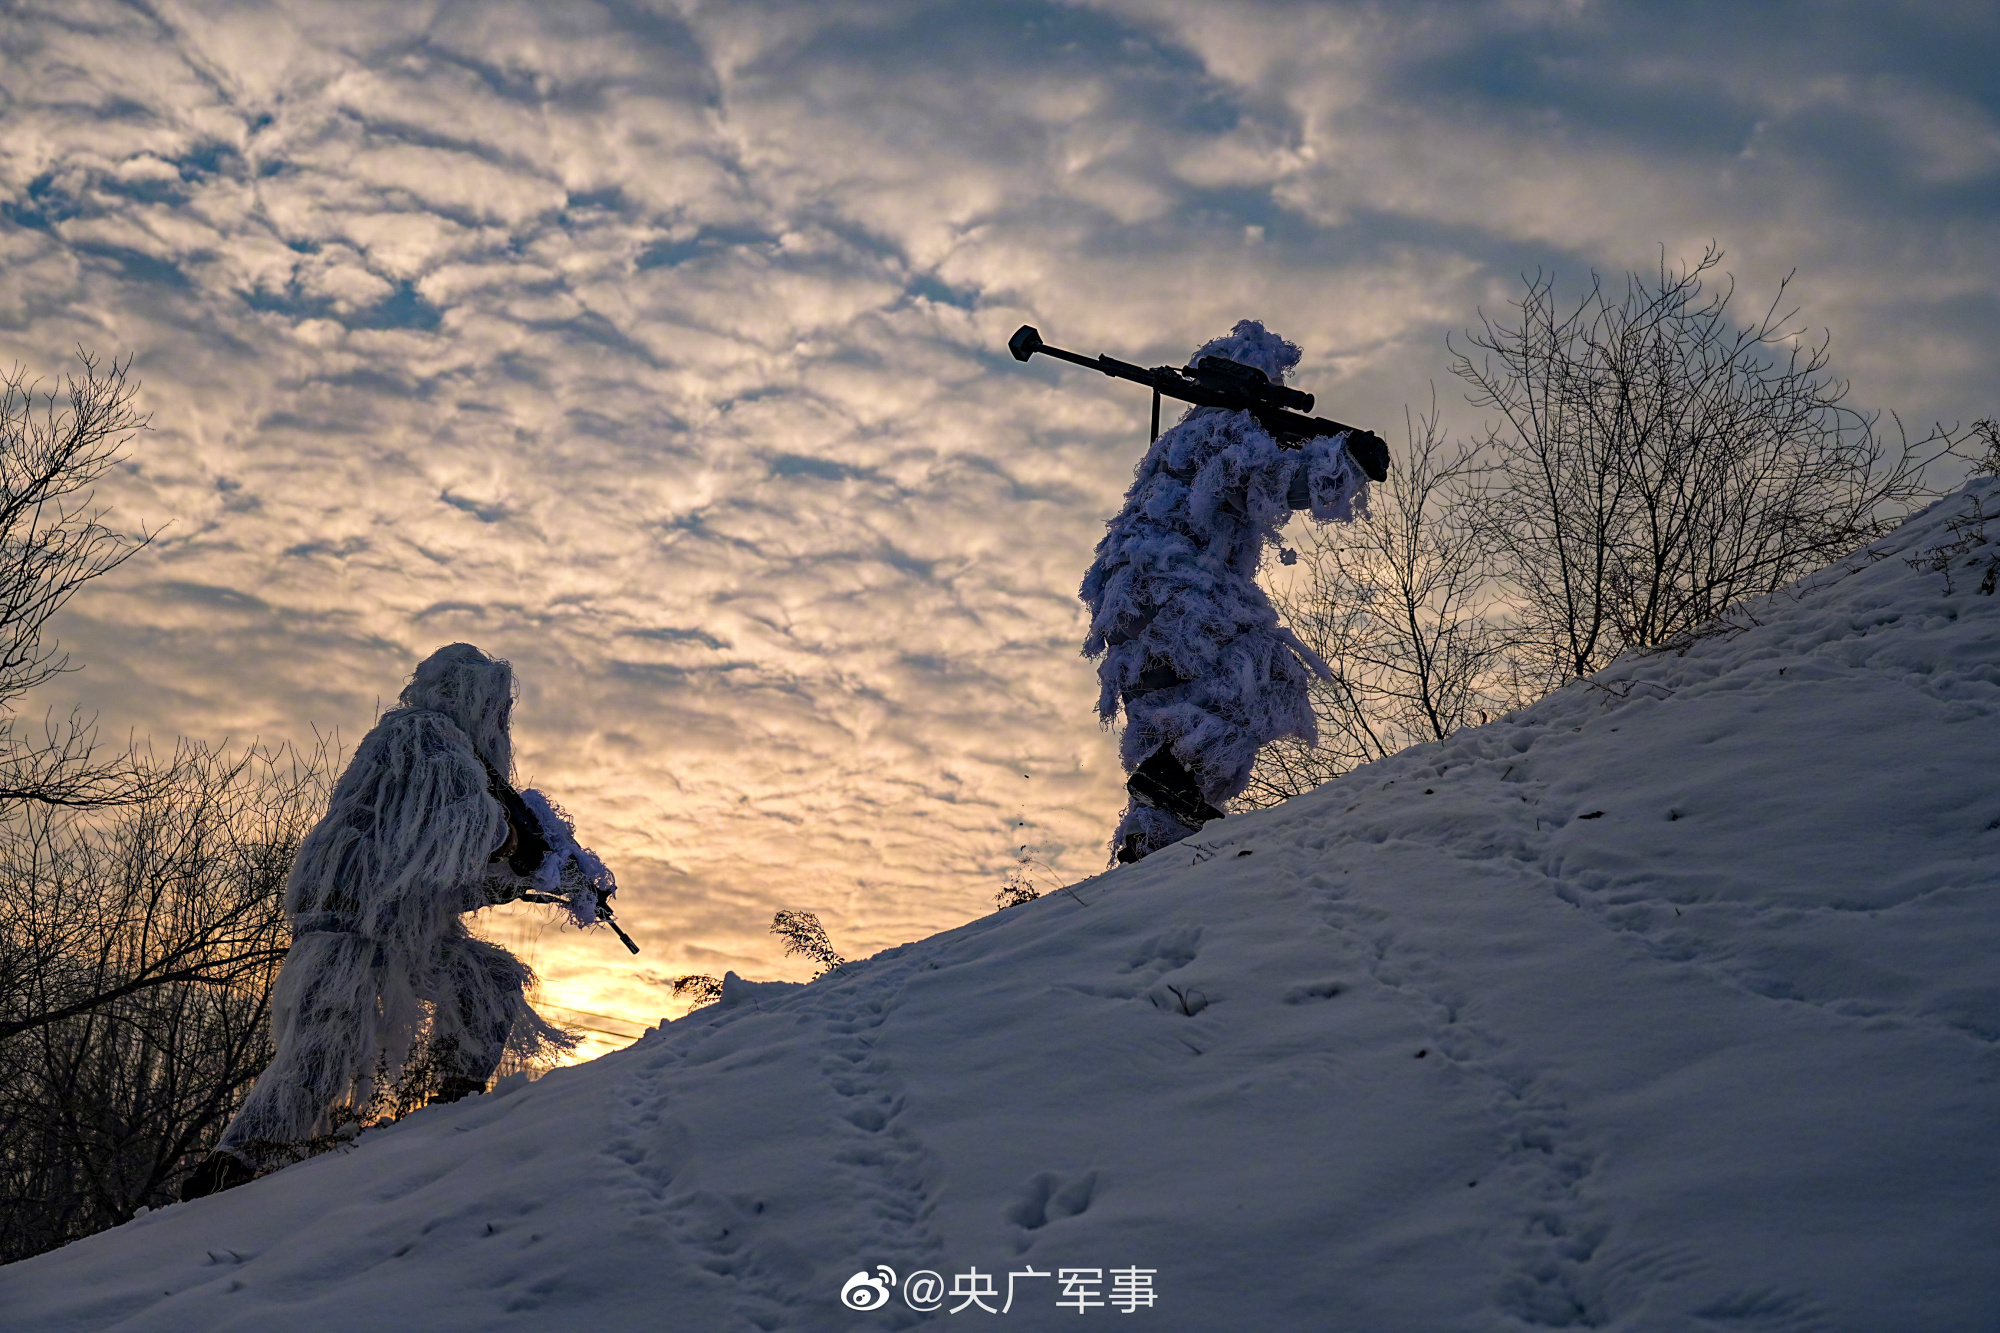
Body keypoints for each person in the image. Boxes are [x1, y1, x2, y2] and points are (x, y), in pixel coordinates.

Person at [181, 644, 575, 1200]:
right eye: (494, 708)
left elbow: (436, 871)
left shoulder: (411, 743)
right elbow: (467, 829)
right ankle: (227, 1172)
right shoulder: (425, 736)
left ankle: (452, 1105)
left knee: (486, 980)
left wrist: (523, 876)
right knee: (319, 1056)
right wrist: (521, 844)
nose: (500, 723)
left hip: (389, 925)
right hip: (353, 923)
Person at [1080, 321, 1373, 863]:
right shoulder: (1226, 431)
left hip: (1128, 607)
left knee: (1167, 720)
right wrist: (1346, 464)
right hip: (1179, 593)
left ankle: (1154, 841)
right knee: (1267, 675)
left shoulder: (1181, 442)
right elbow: (1269, 483)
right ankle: (1176, 788)